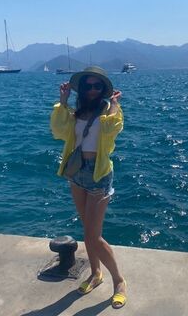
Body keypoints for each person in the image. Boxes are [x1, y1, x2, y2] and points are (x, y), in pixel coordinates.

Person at [50, 66, 127, 309]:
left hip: (99, 174)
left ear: (103, 89)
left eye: (97, 86)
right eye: (88, 86)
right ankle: (95, 274)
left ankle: (119, 281)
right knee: (87, 231)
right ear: (81, 89)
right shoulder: (76, 113)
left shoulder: (109, 111)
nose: (92, 90)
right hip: (77, 173)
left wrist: (114, 104)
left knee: (94, 236)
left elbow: (112, 129)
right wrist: (63, 101)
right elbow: (58, 131)